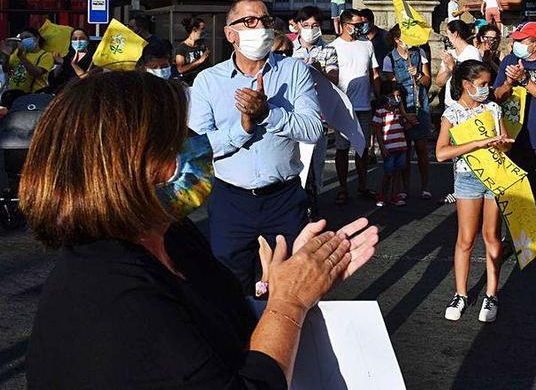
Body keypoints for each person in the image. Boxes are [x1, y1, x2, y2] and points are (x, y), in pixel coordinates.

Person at [23, 70, 378, 389]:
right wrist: (288, 304)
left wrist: (278, 287)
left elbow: (224, 326)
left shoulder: (172, 236)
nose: (197, 144)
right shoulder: (112, 293)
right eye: (180, 134)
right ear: (131, 164)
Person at [188, 0, 324, 292]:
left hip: (284, 197)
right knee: (228, 285)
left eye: (265, 21)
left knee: (291, 284)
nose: (260, 27)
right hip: (230, 200)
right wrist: (243, 128)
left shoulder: (294, 71)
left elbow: (313, 130)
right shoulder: (208, 81)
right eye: (249, 21)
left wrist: (268, 114)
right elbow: (199, 146)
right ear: (230, 34)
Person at [436, 60, 512, 323]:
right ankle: (460, 293)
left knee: (492, 236)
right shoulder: (452, 113)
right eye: (482, 85)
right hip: (467, 178)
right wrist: (476, 143)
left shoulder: (493, 109)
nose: (487, 89)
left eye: (488, 84)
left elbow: (504, 145)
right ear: (467, 85)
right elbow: (441, 152)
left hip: (494, 177)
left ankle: (491, 294)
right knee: (465, 239)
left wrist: (502, 144)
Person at [493, 22, 536, 262]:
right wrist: (508, 83)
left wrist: (525, 80)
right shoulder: (508, 62)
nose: (516, 45)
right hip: (513, 137)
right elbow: (497, 96)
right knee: (511, 192)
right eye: (515, 40)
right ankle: (510, 239)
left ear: (535, 43)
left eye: (521, 41)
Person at [289, 6, 339, 219]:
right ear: (298, 26)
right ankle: (294, 204)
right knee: (293, 163)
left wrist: (320, 69)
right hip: (292, 114)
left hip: (318, 115)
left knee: (316, 164)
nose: (310, 29)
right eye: (306, 25)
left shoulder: (328, 50)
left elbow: (334, 80)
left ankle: (313, 203)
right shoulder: (288, 49)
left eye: (315, 26)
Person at [329, 9, 381, 204]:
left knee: (363, 148)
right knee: (342, 149)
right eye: (357, 25)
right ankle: (342, 187)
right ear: (344, 25)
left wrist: (378, 95)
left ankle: (363, 184)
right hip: (343, 107)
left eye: (362, 24)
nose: (361, 27)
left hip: (365, 105)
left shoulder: (367, 45)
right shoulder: (333, 47)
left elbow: (374, 72)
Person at [381, 24, 432, 200]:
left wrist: (417, 75)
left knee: (422, 148)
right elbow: (393, 88)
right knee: (405, 149)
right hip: (403, 107)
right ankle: (404, 187)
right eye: (405, 36)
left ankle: (425, 186)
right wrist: (404, 114)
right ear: (397, 39)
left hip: (420, 105)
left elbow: (427, 80)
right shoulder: (390, 59)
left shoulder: (420, 54)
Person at [372, 80, 408, 207]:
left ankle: (395, 195)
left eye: (399, 97)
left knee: (398, 171)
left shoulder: (399, 112)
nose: (397, 99)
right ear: (387, 97)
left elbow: (406, 125)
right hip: (389, 147)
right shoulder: (380, 112)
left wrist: (403, 112)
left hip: (401, 146)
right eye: (394, 96)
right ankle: (382, 195)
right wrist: (382, 147)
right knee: (388, 172)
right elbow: (377, 131)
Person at [2, 28, 54, 106]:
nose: (23, 40)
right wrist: (6, 56)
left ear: (37, 38)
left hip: (33, 95)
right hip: (14, 95)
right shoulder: (18, 52)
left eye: (27, 37)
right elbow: (6, 69)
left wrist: (21, 56)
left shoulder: (46, 55)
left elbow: (37, 73)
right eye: (21, 38)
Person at [435, 20, 482, 103]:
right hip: (450, 103)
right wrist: (448, 70)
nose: (447, 37)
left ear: (455, 34)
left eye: (448, 33)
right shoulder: (450, 54)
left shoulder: (472, 53)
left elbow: (474, 80)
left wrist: (453, 67)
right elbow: (439, 82)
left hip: (467, 103)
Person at [175, 17, 210, 85]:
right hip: (189, 83)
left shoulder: (202, 46)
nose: (204, 31)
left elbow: (207, 65)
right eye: (202, 29)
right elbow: (180, 69)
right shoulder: (182, 48)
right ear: (194, 29)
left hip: (203, 81)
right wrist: (199, 61)